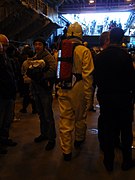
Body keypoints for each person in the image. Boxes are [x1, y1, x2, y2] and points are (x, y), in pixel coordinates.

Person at [94, 27, 135, 171]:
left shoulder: (100, 56)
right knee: (125, 131)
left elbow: (97, 79)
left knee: (109, 131)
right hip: (124, 99)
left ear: (110, 38)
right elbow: (132, 80)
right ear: (123, 39)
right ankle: (126, 161)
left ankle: (108, 161)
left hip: (106, 99)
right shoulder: (126, 56)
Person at [57, 22, 94, 161]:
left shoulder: (61, 49)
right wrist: (88, 97)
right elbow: (88, 75)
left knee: (65, 119)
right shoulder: (84, 50)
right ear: (80, 34)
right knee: (80, 116)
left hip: (63, 85)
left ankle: (66, 151)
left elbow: (58, 69)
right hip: (78, 87)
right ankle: (78, 140)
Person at [26, 37, 56, 151]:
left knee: (48, 115)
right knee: (41, 114)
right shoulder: (35, 57)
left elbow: (53, 70)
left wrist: (41, 76)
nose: (37, 46)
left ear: (44, 45)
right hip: (36, 89)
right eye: (36, 44)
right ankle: (44, 134)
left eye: (39, 44)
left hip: (45, 90)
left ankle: (51, 139)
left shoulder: (48, 57)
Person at [0, 34, 17, 154]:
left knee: (7, 120)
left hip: (9, 94)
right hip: (1, 95)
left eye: (6, 45)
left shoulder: (5, 57)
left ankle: (4, 139)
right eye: (3, 45)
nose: (5, 48)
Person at [20, 45, 37, 114]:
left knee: (26, 95)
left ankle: (24, 108)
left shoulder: (24, 62)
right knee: (33, 95)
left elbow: (22, 71)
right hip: (33, 81)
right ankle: (34, 109)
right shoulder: (36, 62)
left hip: (26, 81)